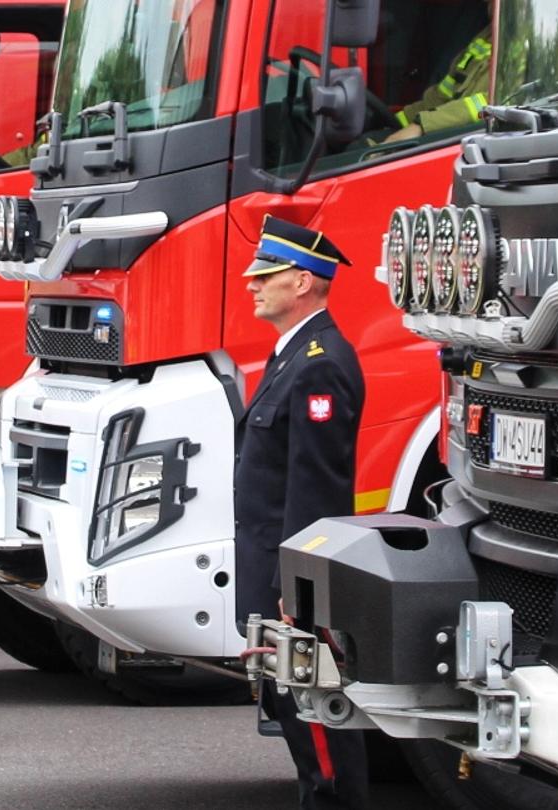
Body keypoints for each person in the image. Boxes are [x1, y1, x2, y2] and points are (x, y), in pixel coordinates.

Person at [234, 215, 367, 808]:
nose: (251, 284)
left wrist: (299, 582)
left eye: (267, 274)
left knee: (315, 715)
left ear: (305, 283)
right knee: (297, 712)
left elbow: (315, 489)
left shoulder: (318, 363)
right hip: (276, 568)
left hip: (292, 578)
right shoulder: (294, 356)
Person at [381, 28, 492, 144]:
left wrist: (421, 125)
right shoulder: (488, 34)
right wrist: (398, 121)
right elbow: (440, 97)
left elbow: (494, 104)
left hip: (471, 144)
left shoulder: (509, 43)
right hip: (452, 136)